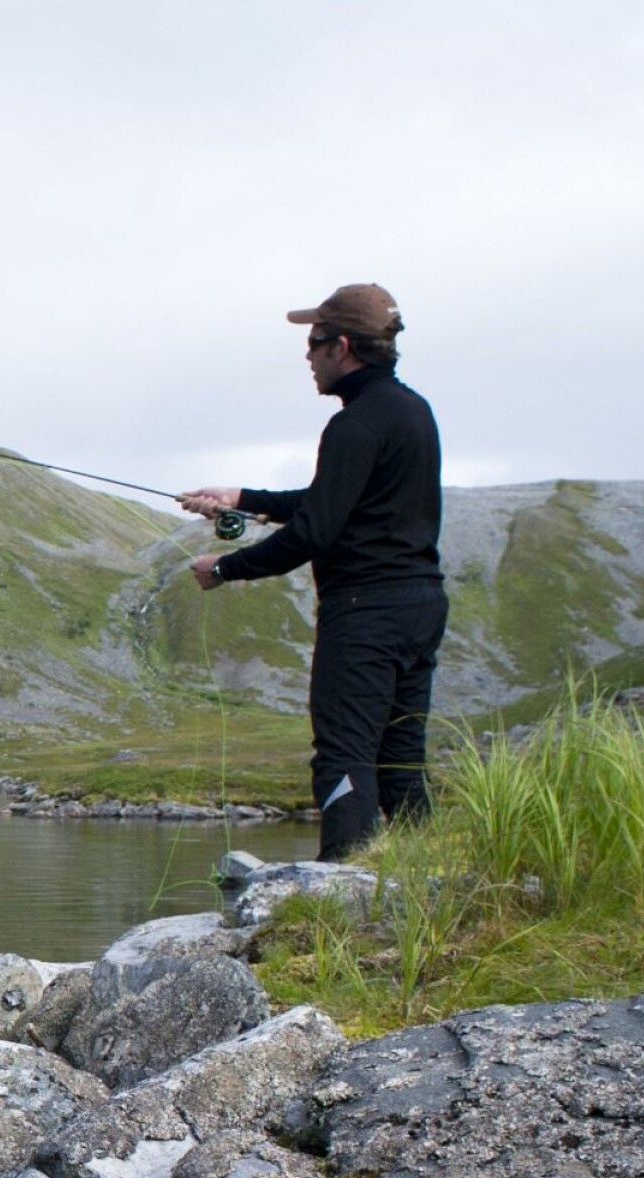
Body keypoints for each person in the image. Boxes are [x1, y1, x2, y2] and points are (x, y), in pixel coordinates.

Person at [179, 283, 444, 862]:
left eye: (314, 342)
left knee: (344, 752)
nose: (307, 355)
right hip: (419, 606)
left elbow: (315, 533)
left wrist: (225, 566)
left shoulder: (353, 425)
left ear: (342, 346)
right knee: (400, 754)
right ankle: (428, 881)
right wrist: (242, 496)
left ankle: (341, 888)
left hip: (365, 612)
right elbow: (336, 499)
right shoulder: (412, 411)